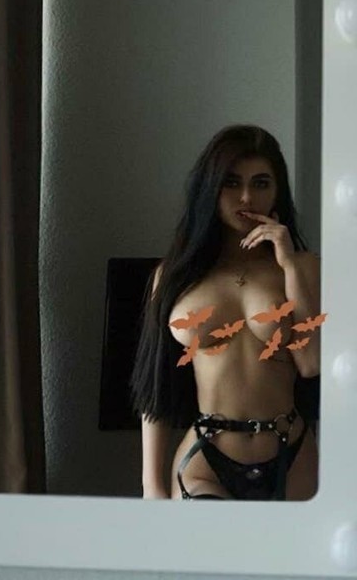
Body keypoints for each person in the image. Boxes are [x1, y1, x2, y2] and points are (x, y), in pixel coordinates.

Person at [131, 125, 320, 500]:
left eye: (261, 183)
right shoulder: (175, 276)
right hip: (206, 458)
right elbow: (156, 386)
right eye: (232, 183)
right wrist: (151, 487)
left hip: (291, 452)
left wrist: (288, 264)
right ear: (211, 188)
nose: (247, 197)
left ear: (278, 191)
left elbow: (310, 362)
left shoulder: (304, 268)